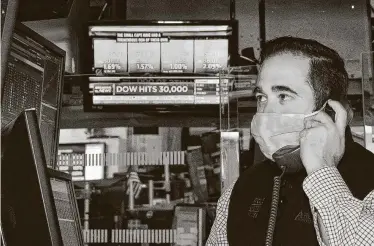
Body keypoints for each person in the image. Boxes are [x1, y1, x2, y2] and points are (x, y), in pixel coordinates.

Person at [206, 37, 374, 246]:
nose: (265, 111)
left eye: (283, 96)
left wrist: (322, 171)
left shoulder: (370, 181)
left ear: (329, 111)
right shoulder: (240, 190)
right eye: (262, 97)